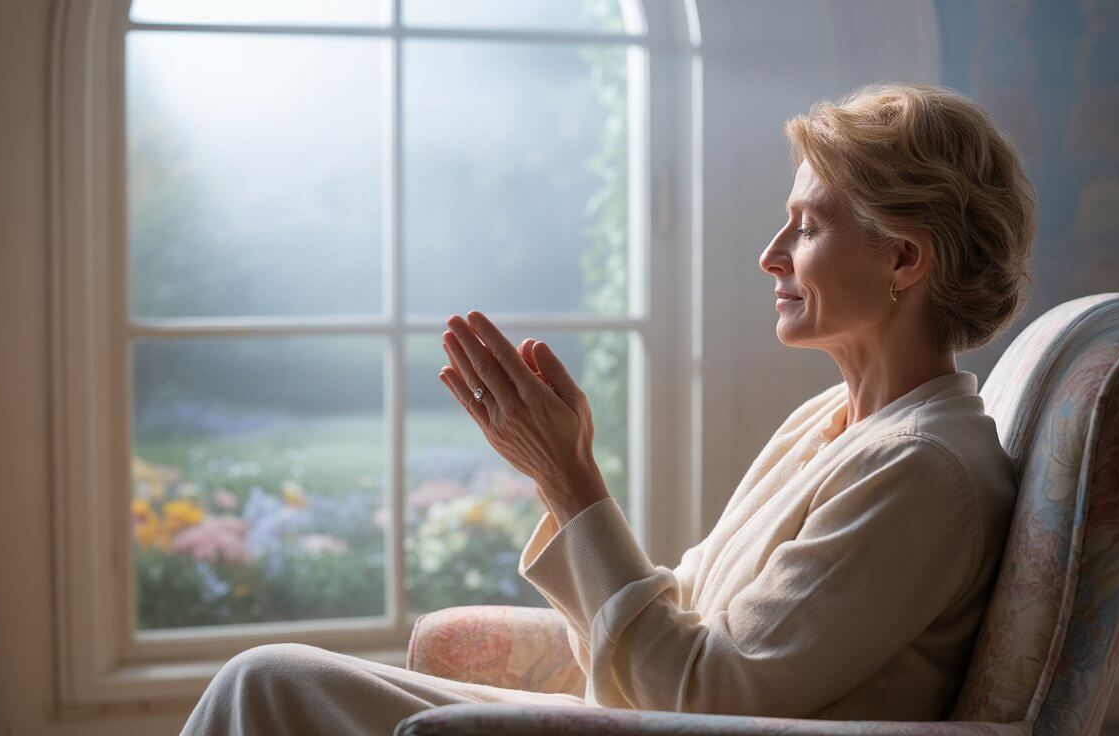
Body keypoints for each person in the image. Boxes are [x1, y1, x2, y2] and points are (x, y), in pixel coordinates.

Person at [180, 81, 1037, 734]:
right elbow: (679, 623)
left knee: (269, 683)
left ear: (905, 260)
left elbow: (705, 697)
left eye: (807, 228)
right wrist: (564, 484)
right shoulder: (829, 426)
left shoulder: (926, 472)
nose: (771, 254)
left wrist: (573, 477)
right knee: (269, 675)